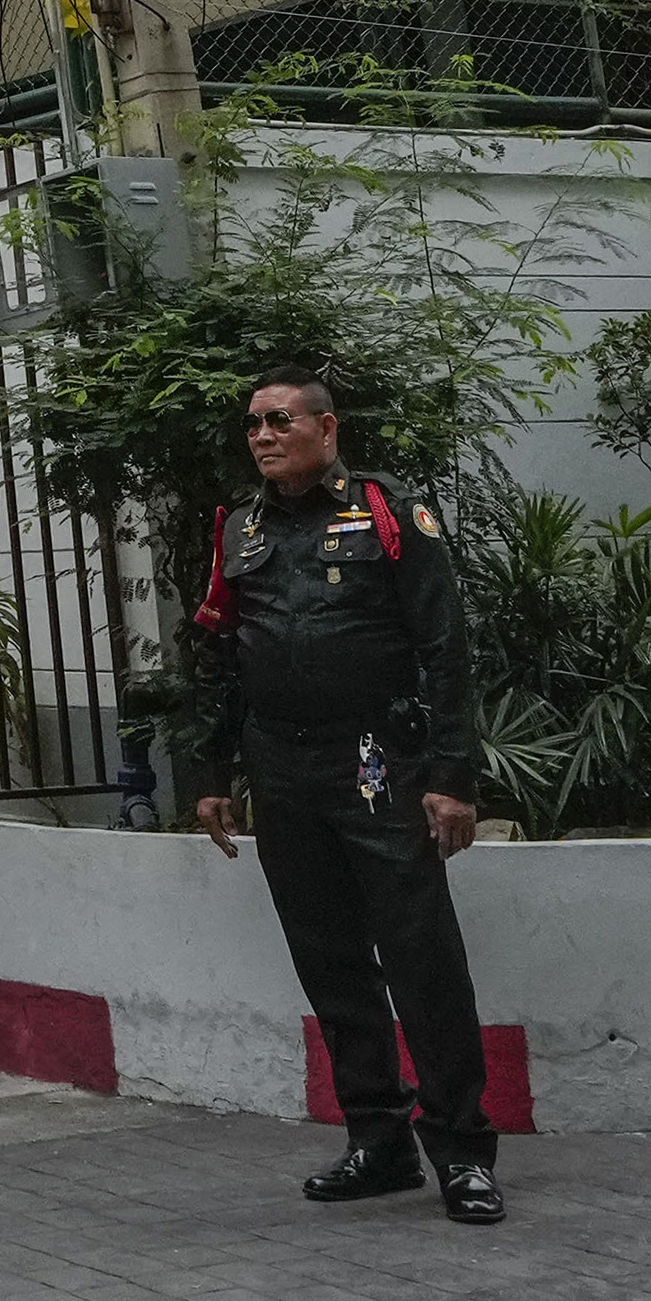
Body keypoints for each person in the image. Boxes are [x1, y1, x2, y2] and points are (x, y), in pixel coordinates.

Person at [187, 365, 504, 1227]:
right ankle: (379, 1140)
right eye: (253, 423)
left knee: (420, 958)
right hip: (281, 767)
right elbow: (218, 653)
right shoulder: (237, 526)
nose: (262, 435)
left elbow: (446, 649)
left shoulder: (391, 513)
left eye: (280, 420)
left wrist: (450, 779)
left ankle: (463, 1152)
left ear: (327, 430)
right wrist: (214, 778)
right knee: (328, 958)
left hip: (377, 762)